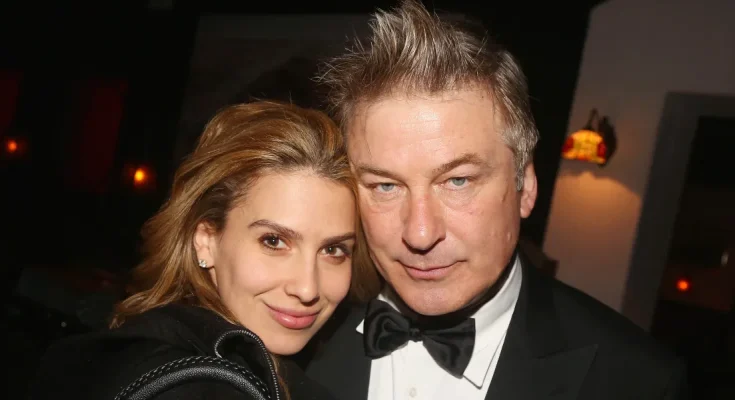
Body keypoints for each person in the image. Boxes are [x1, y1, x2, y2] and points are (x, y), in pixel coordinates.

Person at [304, 1, 689, 399]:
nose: (420, 234)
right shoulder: (297, 336)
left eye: (458, 181)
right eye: (386, 186)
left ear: (527, 185)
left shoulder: (638, 381)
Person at [30, 101, 369, 400]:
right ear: (206, 240)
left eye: (333, 250)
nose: (308, 288)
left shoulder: (133, 348)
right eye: (274, 241)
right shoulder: (199, 388)